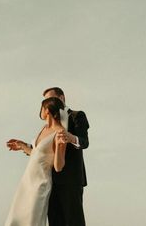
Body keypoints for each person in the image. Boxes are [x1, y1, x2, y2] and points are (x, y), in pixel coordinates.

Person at [4, 97, 66, 226]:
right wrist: (23, 146)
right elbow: (38, 155)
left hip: (40, 184)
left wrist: (60, 147)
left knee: (32, 221)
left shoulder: (60, 132)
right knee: (14, 219)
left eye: (42, 108)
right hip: (27, 182)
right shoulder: (44, 128)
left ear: (47, 110)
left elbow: (58, 167)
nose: (40, 111)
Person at [43, 87, 89, 226]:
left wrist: (70, 137)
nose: (48, 103)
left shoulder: (77, 115)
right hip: (51, 182)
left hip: (71, 179)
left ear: (62, 98)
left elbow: (84, 142)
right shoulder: (48, 124)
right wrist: (25, 146)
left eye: (51, 99)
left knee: (74, 221)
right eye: (45, 101)